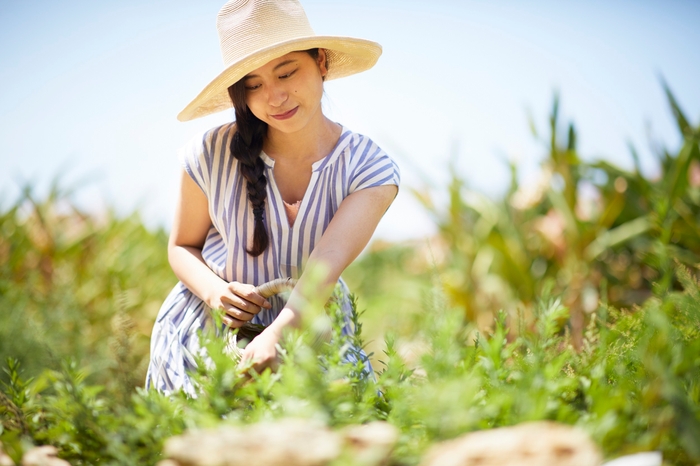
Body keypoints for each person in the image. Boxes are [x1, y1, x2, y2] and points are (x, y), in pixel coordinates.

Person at [146, 0, 400, 395]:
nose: (275, 96)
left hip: (313, 330)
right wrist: (217, 294)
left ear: (321, 63)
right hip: (206, 335)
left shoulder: (369, 168)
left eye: (286, 73)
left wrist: (277, 337)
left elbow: (324, 268)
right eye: (254, 85)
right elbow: (181, 246)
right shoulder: (208, 153)